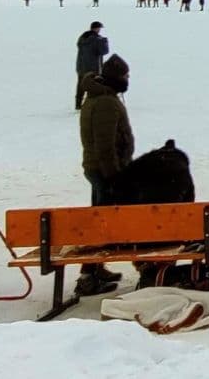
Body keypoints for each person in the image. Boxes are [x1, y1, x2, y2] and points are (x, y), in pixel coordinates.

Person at [78, 54, 133, 293]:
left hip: (97, 168)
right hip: (104, 170)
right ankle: (88, 274)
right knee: (101, 223)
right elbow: (105, 144)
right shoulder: (105, 102)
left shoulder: (99, 96)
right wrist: (115, 175)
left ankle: (95, 267)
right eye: (125, 75)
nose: (127, 79)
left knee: (99, 219)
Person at [75, 22, 110, 112]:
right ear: (96, 28)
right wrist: (104, 41)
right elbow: (104, 51)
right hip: (93, 67)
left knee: (81, 86)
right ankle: (93, 105)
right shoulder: (97, 39)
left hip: (81, 66)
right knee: (94, 86)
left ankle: (78, 105)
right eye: (99, 28)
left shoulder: (82, 38)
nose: (100, 30)